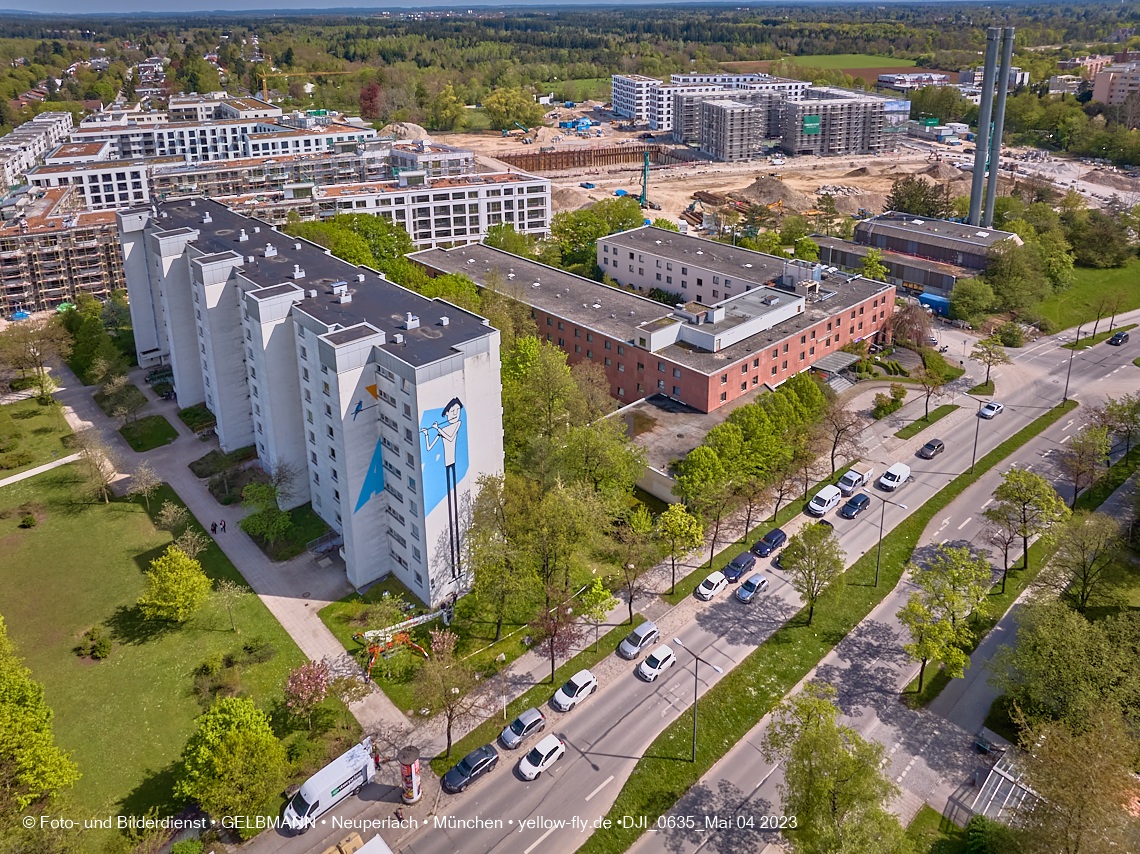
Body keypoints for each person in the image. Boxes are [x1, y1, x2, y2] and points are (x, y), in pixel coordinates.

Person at [421, 397, 464, 580]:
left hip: (454, 464)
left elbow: (450, 436)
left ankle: (459, 569)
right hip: (446, 466)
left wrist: (438, 428)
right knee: (450, 510)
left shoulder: (455, 425)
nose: (455, 414)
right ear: (446, 413)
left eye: (457, 411)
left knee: (454, 505)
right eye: (452, 411)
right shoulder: (443, 427)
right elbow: (430, 447)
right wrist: (426, 434)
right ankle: (455, 571)